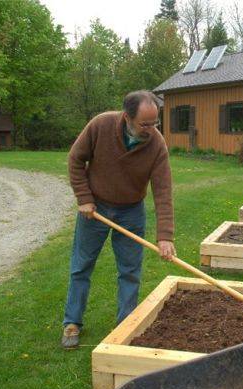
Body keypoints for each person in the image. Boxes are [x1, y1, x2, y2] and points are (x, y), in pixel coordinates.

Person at [61, 90, 176, 349]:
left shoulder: (156, 144)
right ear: (127, 117)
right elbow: (75, 160)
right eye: (145, 124)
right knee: (81, 266)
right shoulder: (100, 125)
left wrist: (165, 236)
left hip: (131, 211)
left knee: (130, 272)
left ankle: (126, 325)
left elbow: (163, 191)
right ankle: (72, 323)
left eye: (155, 123)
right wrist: (84, 198)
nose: (151, 129)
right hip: (96, 208)